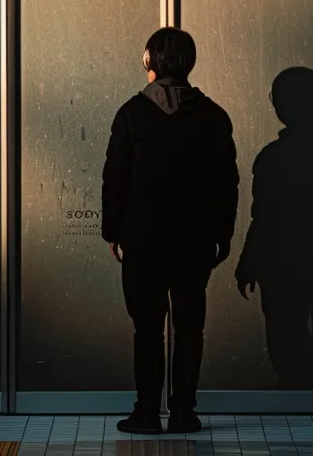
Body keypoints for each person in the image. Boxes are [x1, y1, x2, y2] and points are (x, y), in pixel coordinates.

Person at [101, 27, 239, 435]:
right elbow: (226, 183)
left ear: (149, 62)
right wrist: (223, 233)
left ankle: (146, 412)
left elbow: (115, 178)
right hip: (194, 242)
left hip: (143, 241)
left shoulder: (130, 114)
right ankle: (183, 412)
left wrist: (114, 232)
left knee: (146, 328)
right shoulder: (213, 115)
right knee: (190, 328)